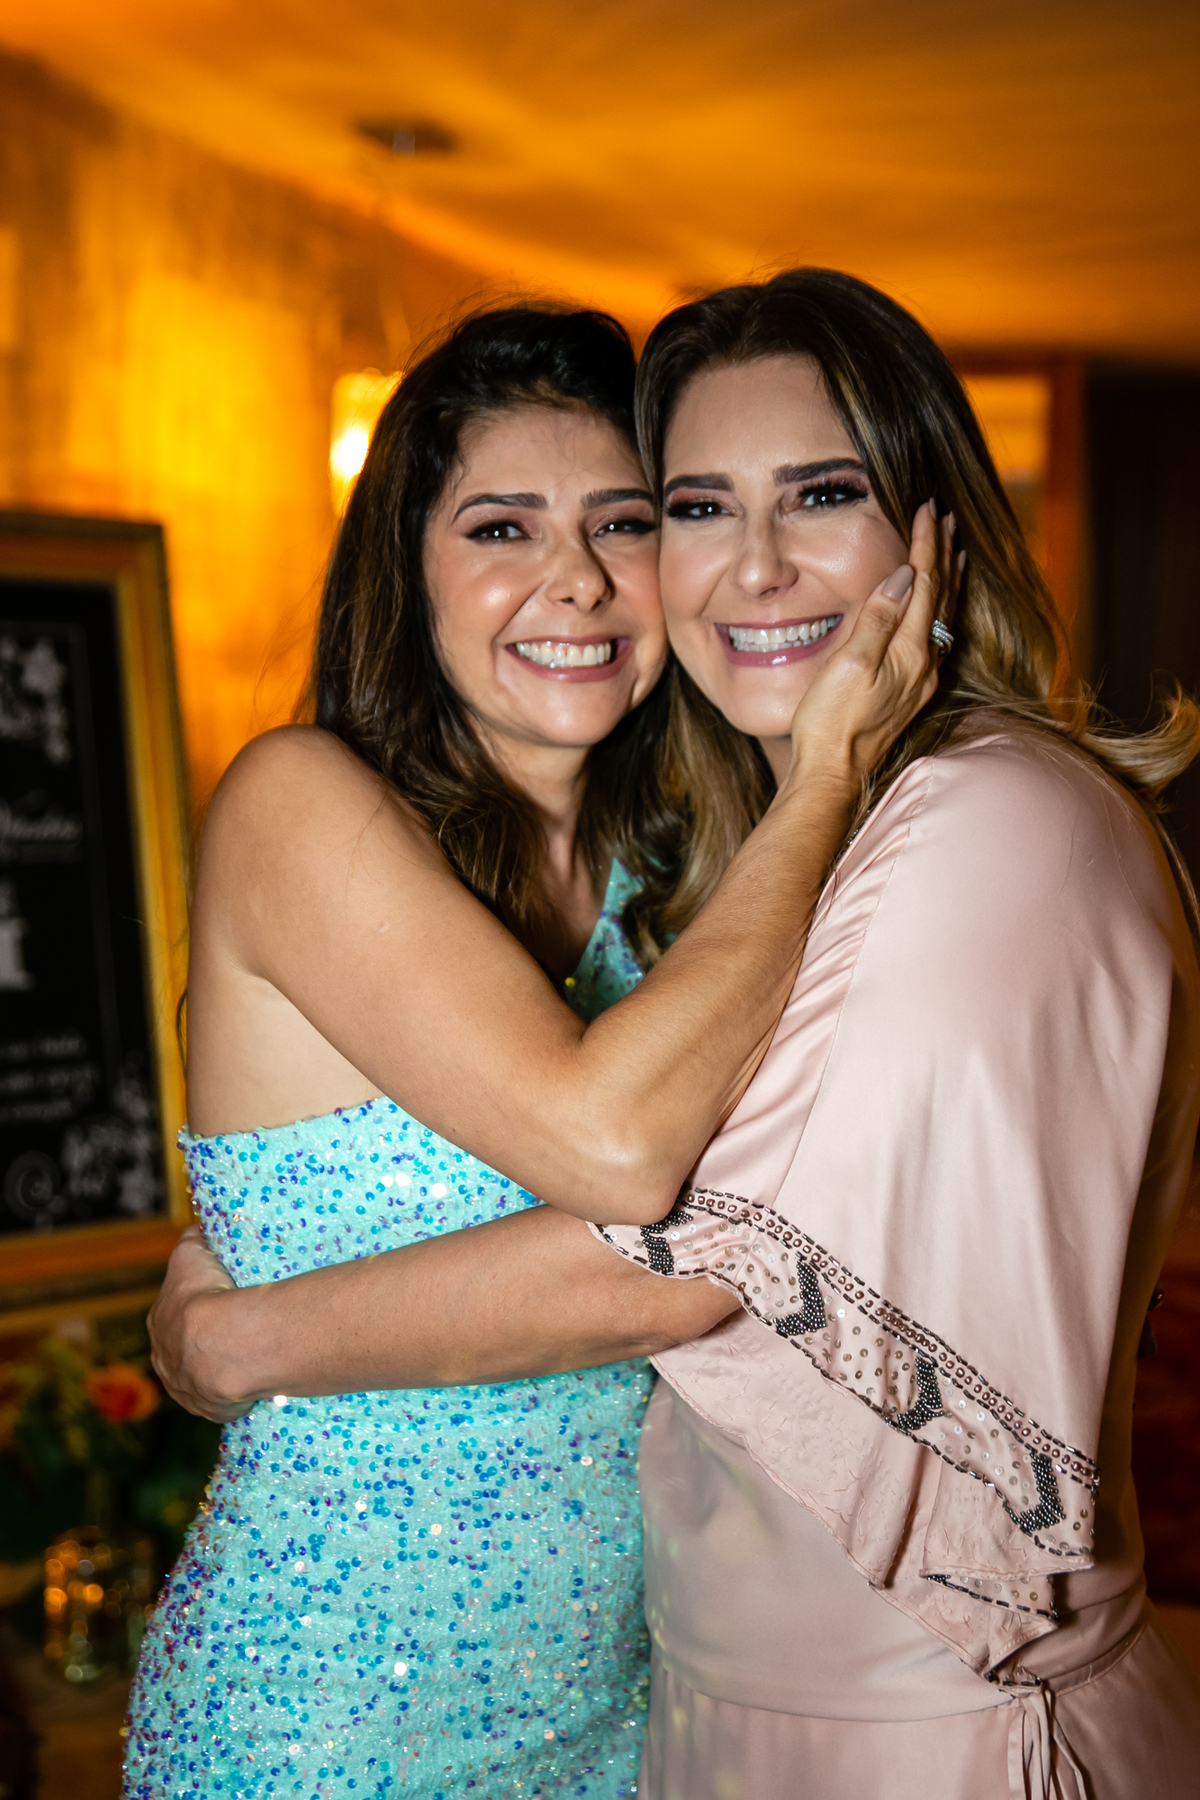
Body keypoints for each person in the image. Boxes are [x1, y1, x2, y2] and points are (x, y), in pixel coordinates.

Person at [154, 270, 1200, 1799]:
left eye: (628, 522)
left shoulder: (698, 878)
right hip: (335, 1702)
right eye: (500, 529)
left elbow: (704, 1225)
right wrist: (823, 776)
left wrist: (249, 1336)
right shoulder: (299, 801)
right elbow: (622, 1152)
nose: (576, 581)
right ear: (406, 571)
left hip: (623, 1704)